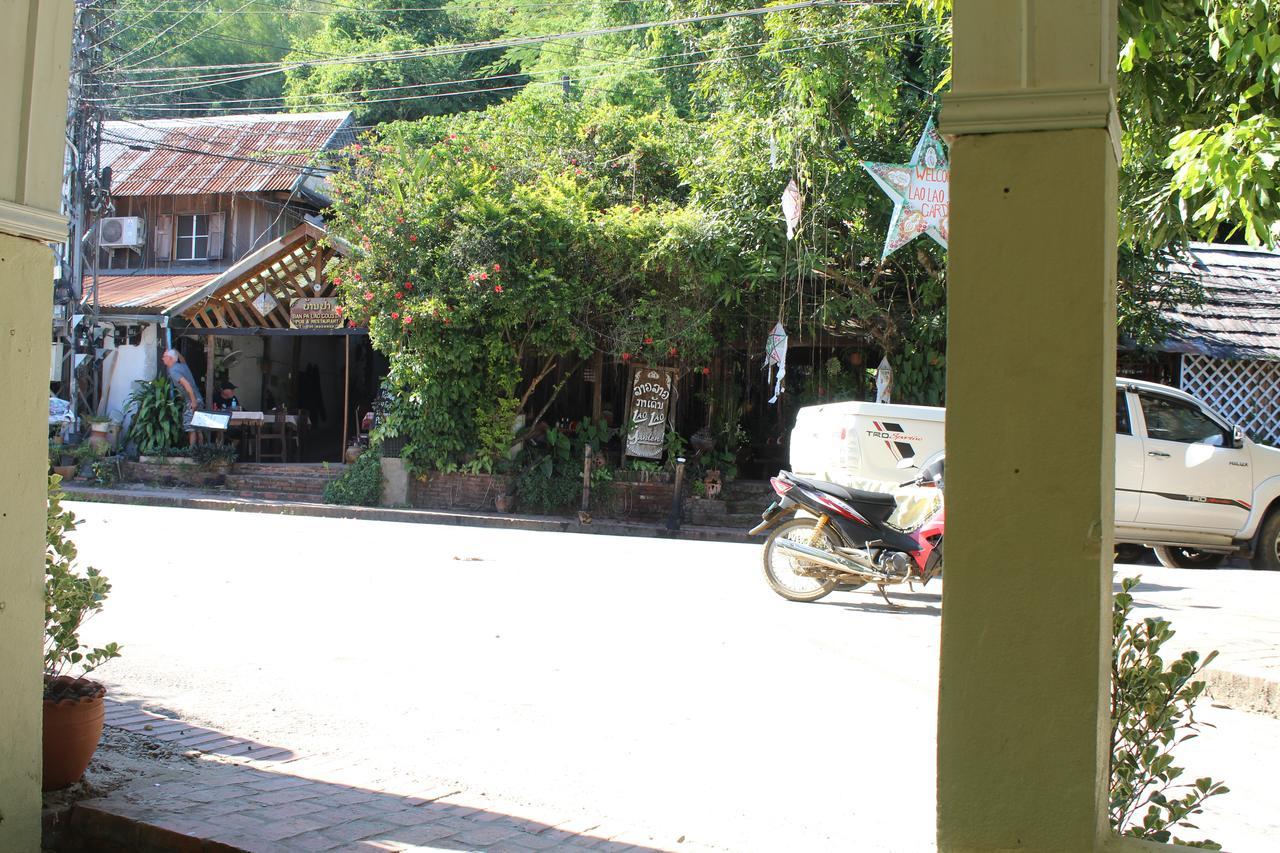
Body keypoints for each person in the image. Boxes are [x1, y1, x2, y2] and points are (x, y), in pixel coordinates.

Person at [161, 349, 202, 447]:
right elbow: (182, 359)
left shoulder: (173, 371)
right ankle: (202, 453)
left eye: (164, 357)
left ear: (170, 358)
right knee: (199, 428)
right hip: (199, 398)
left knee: (190, 428)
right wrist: (175, 351)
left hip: (191, 401)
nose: (162, 359)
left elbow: (187, 385)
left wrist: (193, 402)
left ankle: (192, 454)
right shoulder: (183, 366)